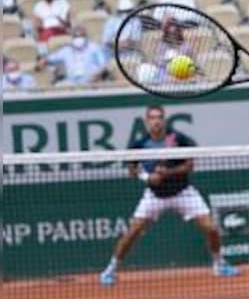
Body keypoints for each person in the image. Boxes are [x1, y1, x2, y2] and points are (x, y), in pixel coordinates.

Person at [99, 105, 240, 285]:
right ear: (146, 122)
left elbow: (189, 166)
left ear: (164, 120)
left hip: (183, 193)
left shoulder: (178, 139)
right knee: (132, 232)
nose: (156, 121)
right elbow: (132, 171)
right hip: (154, 196)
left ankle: (219, 264)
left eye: (159, 117)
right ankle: (111, 269)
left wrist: (167, 173)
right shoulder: (139, 145)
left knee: (211, 228)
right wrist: (148, 178)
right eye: (152, 118)